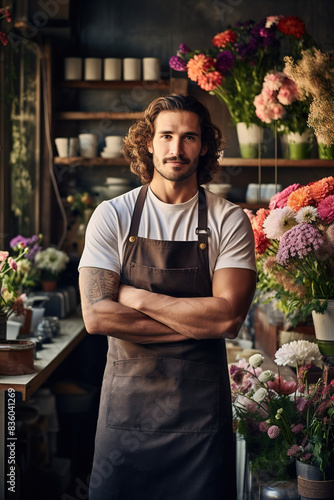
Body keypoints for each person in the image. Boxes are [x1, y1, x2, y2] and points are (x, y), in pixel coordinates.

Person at [78, 94, 257, 500]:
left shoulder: (227, 220)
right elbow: (97, 317)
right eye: (166, 136)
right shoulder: (113, 215)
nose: (176, 149)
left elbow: (227, 320)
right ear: (148, 142)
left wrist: (134, 297)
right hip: (125, 415)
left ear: (205, 145)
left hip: (200, 420)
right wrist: (197, 323)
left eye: (189, 137)